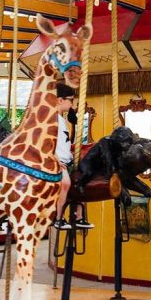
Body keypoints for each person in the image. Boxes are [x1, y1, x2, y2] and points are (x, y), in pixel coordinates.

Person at [52, 83, 92, 230]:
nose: (72, 104)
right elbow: (45, 141)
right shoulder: (50, 118)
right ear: (60, 100)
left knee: (84, 180)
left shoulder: (61, 119)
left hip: (66, 159)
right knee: (66, 183)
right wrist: (55, 158)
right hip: (56, 161)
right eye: (70, 100)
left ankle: (79, 217)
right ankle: (58, 218)